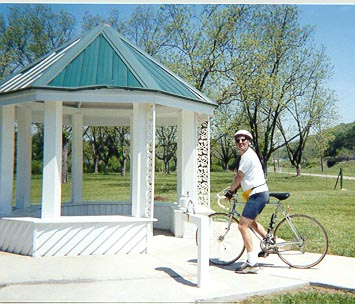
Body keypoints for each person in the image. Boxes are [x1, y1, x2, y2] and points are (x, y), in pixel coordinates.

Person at [224, 130, 269, 274]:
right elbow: (243, 179)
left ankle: (251, 263)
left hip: (257, 193)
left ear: (249, 141)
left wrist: (230, 191)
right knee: (251, 222)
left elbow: (239, 176)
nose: (240, 142)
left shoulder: (247, 156)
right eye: (237, 140)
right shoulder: (248, 155)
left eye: (243, 139)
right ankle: (269, 243)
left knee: (242, 226)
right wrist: (236, 190)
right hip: (255, 192)